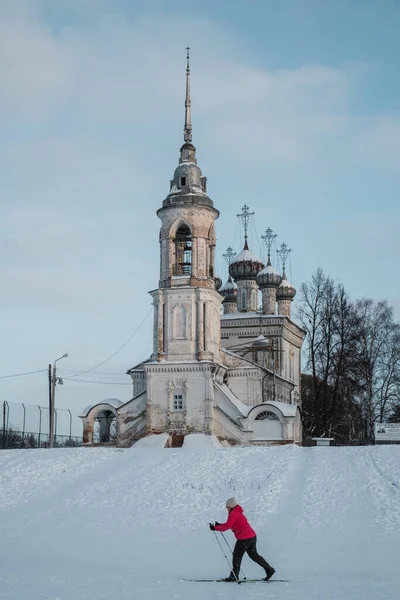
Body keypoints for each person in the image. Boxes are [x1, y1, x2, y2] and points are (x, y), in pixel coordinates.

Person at [209, 496, 275, 582]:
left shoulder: (233, 514)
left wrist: (215, 528)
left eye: (227, 507)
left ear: (231, 506)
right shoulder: (236, 512)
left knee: (237, 556)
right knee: (254, 556)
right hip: (252, 536)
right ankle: (269, 570)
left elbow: (228, 526)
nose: (226, 508)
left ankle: (234, 576)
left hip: (244, 538)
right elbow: (230, 524)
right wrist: (219, 525)